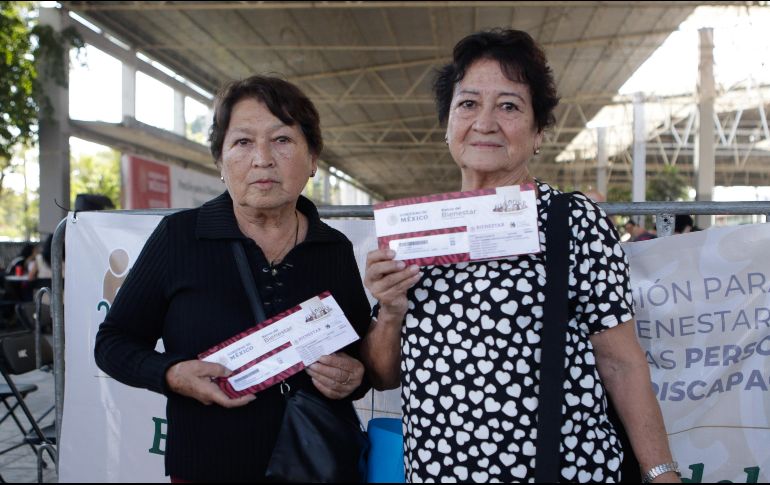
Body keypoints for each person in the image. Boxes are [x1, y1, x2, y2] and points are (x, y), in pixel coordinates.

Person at [362, 29, 679, 483]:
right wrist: (390, 310)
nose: (485, 122)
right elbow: (384, 375)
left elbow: (620, 362)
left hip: (561, 471)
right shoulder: (421, 232)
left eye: (509, 106)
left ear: (538, 133)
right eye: (468, 104)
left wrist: (661, 472)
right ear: (448, 125)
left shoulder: (571, 221)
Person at [94, 75, 371, 482]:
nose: (262, 159)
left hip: (315, 464)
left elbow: (359, 357)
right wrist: (173, 375)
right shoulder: (180, 238)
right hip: (207, 465)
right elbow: (112, 343)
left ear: (312, 159)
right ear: (221, 163)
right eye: (242, 142)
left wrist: (355, 377)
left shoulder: (333, 249)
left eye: (281, 140)